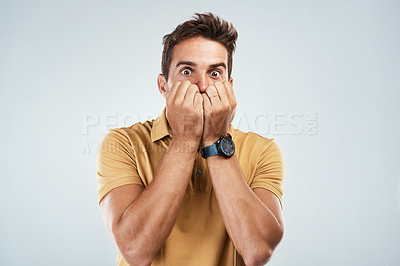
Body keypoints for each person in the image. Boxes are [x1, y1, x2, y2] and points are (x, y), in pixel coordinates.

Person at [96, 12, 285, 266]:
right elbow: (135, 250)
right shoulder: (122, 144)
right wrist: (186, 137)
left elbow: (258, 251)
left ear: (229, 85)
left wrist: (216, 139)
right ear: (163, 86)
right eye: (187, 71)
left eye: (215, 74)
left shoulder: (263, 150)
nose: (203, 85)